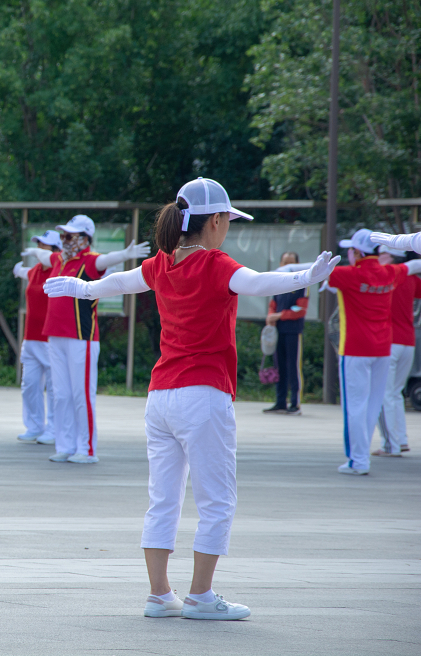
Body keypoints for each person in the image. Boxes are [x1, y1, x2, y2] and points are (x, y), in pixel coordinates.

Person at [45, 176, 339, 620]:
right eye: (228, 220)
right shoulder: (215, 263)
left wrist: (84, 289)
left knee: (162, 499)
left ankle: (160, 595)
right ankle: (201, 596)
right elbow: (257, 283)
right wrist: (305, 277)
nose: (228, 228)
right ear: (216, 220)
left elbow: (123, 282)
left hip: (160, 395)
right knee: (217, 500)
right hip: (203, 395)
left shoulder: (163, 263)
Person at [37, 214, 149, 463]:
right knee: (61, 394)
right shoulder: (58, 259)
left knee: (81, 394)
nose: (64, 240)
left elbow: (108, 259)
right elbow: (43, 256)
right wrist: (31, 252)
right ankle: (65, 445)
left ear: (84, 238)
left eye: (70, 236)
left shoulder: (91, 261)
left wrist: (126, 253)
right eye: (63, 235)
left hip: (81, 337)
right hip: (54, 335)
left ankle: (87, 449)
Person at [316, 229, 421, 475]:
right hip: (383, 348)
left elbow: (317, 277)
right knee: (373, 405)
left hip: (355, 349)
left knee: (355, 406)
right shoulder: (390, 272)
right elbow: (414, 265)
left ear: (357, 252)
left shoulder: (345, 275)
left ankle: (358, 461)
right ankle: (364, 456)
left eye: (350, 250)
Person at [13, 229, 62, 444]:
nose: (40, 249)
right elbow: (23, 272)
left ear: (55, 250)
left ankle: (53, 429)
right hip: (30, 338)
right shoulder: (34, 271)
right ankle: (34, 426)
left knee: (53, 388)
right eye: (39, 245)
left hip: (50, 339)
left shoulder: (59, 271)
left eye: (44, 245)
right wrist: (17, 270)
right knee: (30, 385)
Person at [375, 246, 421, 456]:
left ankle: (391, 444)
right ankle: (401, 439)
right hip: (408, 341)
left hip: (389, 341)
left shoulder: (386, 276)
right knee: (396, 393)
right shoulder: (412, 279)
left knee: (385, 393)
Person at [262, 251, 308, 415]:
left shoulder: (302, 285)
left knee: (293, 367)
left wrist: (280, 315)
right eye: (284, 263)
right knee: (279, 365)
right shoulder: (277, 282)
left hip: (293, 331)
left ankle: (295, 403)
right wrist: (271, 315)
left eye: (291, 264)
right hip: (277, 330)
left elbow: (300, 309)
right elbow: (273, 302)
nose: (287, 267)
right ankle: (280, 401)